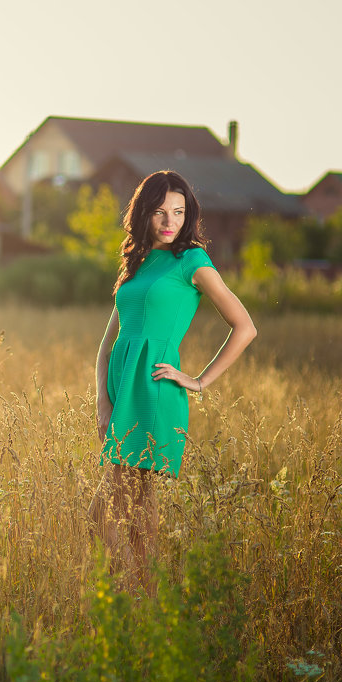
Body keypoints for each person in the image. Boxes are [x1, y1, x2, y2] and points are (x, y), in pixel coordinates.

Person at [91, 170, 257, 592]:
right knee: (131, 506)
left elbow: (244, 327)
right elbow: (108, 345)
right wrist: (102, 402)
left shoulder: (193, 261)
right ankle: (140, 602)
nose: (170, 221)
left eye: (179, 212)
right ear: (143, 212)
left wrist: (198, 381)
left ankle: (132, 597)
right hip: (120, 391)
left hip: (155, 391)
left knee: (107, 510)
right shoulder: (138, 261)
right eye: (161, 211)